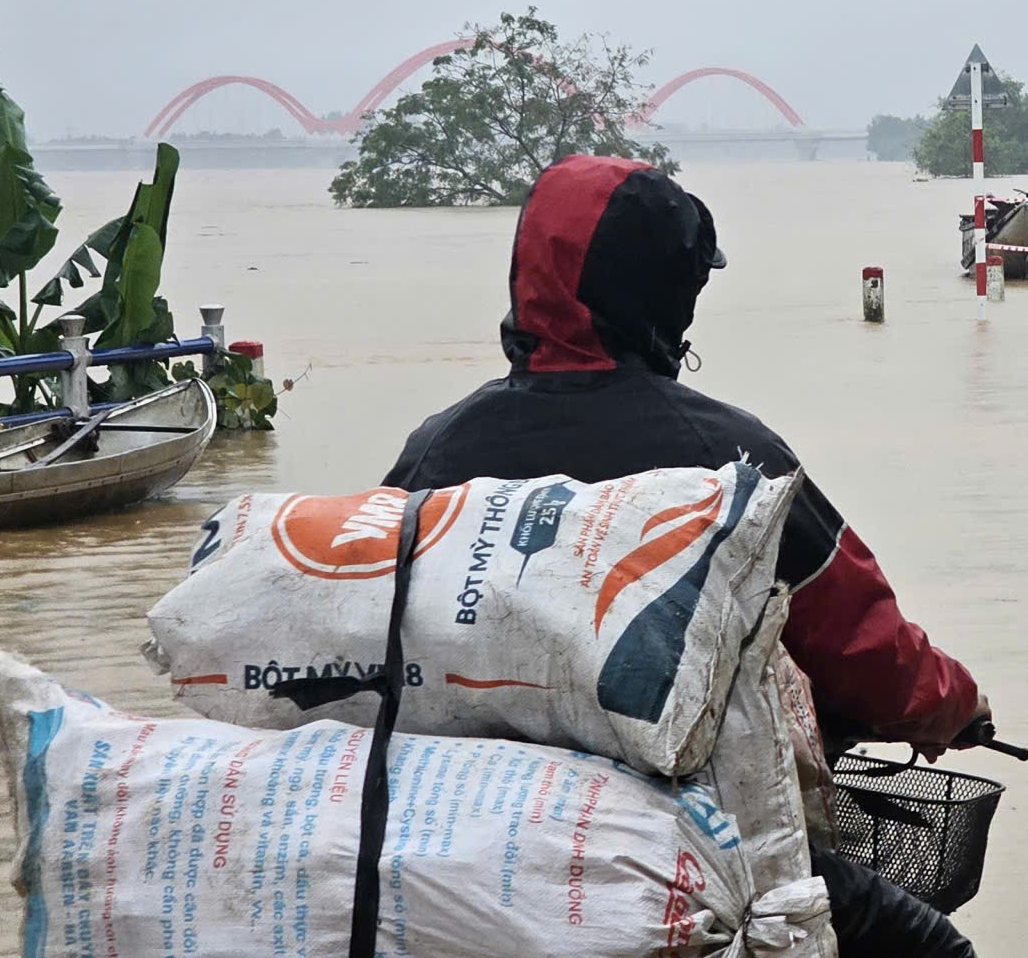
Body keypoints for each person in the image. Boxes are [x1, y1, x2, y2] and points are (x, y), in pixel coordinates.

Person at [383, 153, 985, 955]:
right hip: (683, 849)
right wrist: (952, 704)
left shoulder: (435, 451)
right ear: (666, 296)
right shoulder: (728, 458)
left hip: (463, 848)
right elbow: (862, 642)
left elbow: (365, 620)